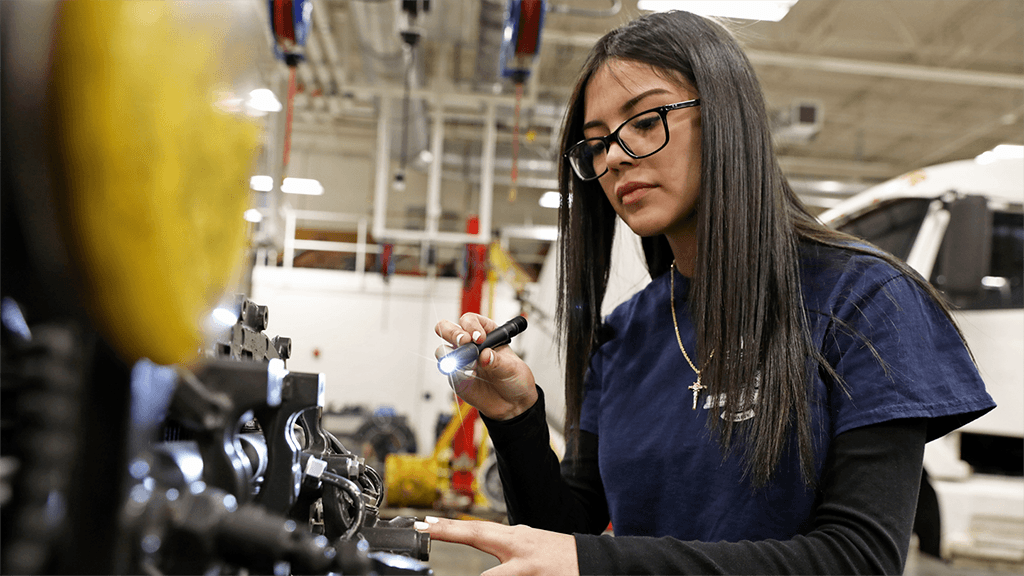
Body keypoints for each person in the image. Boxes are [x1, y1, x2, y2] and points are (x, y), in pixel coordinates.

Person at [420, 10, 995, 576]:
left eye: (644, 121)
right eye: (596, 145)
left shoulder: (865, 301)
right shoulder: (627, 333)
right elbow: (567, 531)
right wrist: (516, 416)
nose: (615, 156)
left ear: (726, 118)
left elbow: (858, 559)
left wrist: (600, 563)